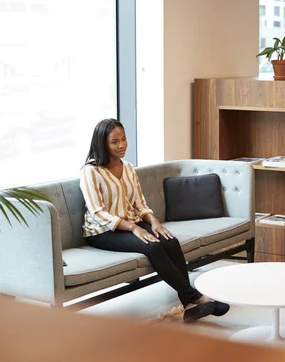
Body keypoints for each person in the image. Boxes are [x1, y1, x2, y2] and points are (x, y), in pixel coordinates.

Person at [79, 118, 229, 323]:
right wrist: (134, 228)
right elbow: (97, 212)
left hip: (130, 224)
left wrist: (154, 221)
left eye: (124, 139)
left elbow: (139, 203)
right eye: (115, 142)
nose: (121, 145)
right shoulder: (90, 171)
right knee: (153, 247)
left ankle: (190, 305)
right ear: (102, 143)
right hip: (103, 231)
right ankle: (195, 298)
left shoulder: (128, 168)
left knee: (170, 241)